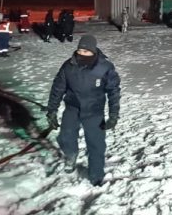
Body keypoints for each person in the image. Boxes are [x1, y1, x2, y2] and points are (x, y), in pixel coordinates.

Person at [46, 34, 121, 187]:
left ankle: (96, 175)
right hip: (73, 108)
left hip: (94, 111)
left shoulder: (105, 67)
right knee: (65, 138)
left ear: (93, 52)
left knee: (96, 144)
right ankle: (71, 156)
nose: (82, 54)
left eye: (86, 52)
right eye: (80, 51)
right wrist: (52, 110)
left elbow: (113, 91)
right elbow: (58, 88)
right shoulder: (69, 66)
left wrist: (114, 114)